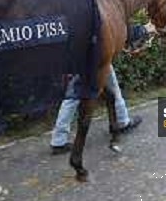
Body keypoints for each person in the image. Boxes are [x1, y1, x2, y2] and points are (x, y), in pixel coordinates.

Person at [50, 23, 155, 153]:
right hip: (94, 55)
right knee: (73, 96)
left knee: (104, 89)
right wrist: (143, 29)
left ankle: (122, 120)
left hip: (83, 53)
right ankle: (59, 140)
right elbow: (112, 26)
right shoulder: (95, 4)